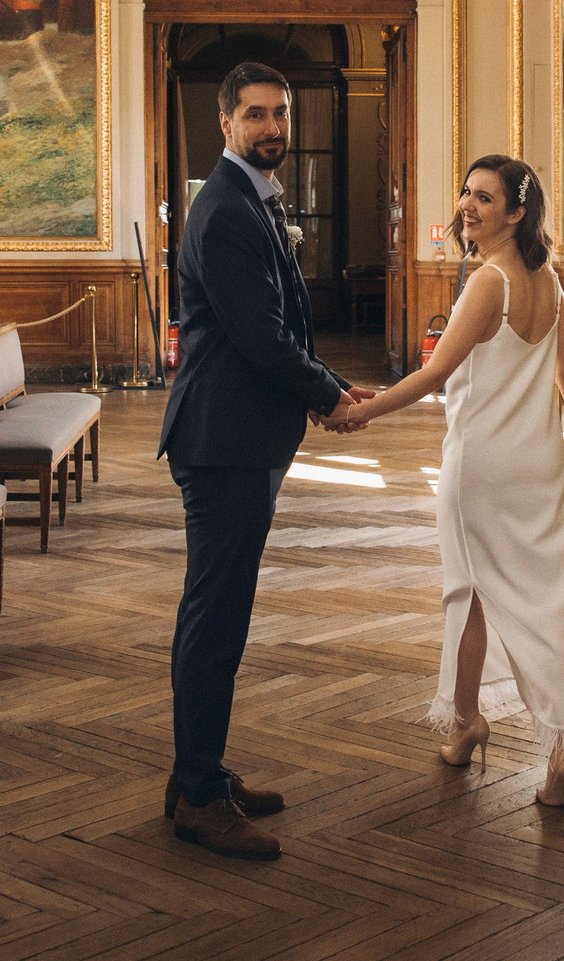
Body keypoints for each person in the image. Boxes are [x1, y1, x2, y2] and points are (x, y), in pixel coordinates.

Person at [156, 61, 371, 860]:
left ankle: (198, 771)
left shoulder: (247, 198)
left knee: (219, 614)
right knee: (215, 621)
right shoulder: (226, 208)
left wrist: (325, 383)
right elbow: (259, 335)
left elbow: (277, 325)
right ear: (225, 122)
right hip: (224, 442)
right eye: (256, 115)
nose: (273, 127)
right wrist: (327, 393)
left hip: (239, 435)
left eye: (280, 113)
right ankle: (199, 795)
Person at [346, 155, 564, 810]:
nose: (467, 204)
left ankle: (467, 726)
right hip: (542, 466)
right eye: (465, 191)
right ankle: (557, 750)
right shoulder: (549, 280)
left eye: (483, 197)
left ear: (516, 213)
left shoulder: (491, 282)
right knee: (556, 605)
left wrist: (364, 409)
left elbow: (435, 375)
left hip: (481, 466)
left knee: (468, 593)